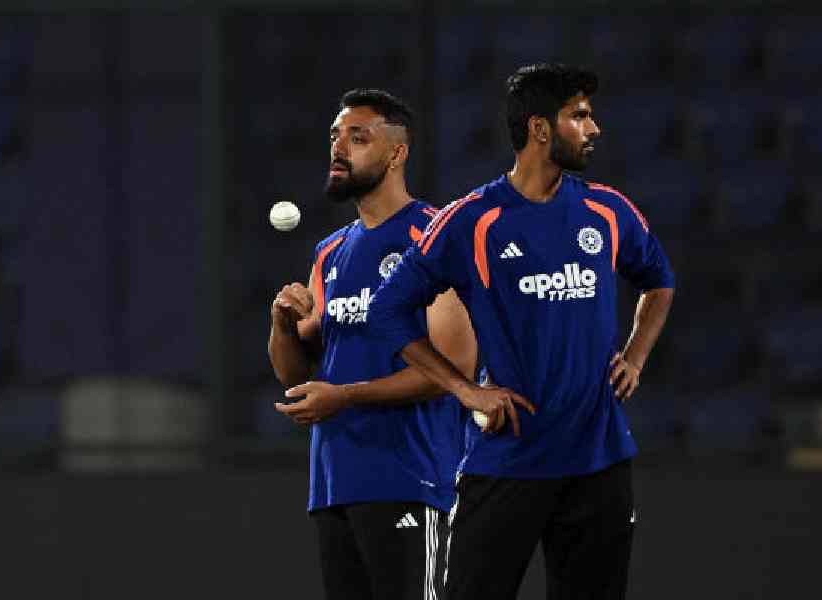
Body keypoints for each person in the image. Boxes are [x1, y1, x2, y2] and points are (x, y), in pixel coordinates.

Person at [367, 64, 675, 599]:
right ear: (539, 129)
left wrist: (635, 356)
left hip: (598, 463)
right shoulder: (471, 220)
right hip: (506, 458)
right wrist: (465, 389)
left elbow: (659, 280)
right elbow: (388, 311)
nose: (593, 128)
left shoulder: (606, 210)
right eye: (579, 116)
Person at [267, 88, 477, 600]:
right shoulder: (331, 251)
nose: (340, 148)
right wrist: (280, 323)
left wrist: (343, 396)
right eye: (335, 137)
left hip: (412, 478)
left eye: (358, 138)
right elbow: (295, 378)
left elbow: (452, 370)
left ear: (396, 153)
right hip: (336, 485)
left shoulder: (434, 238)